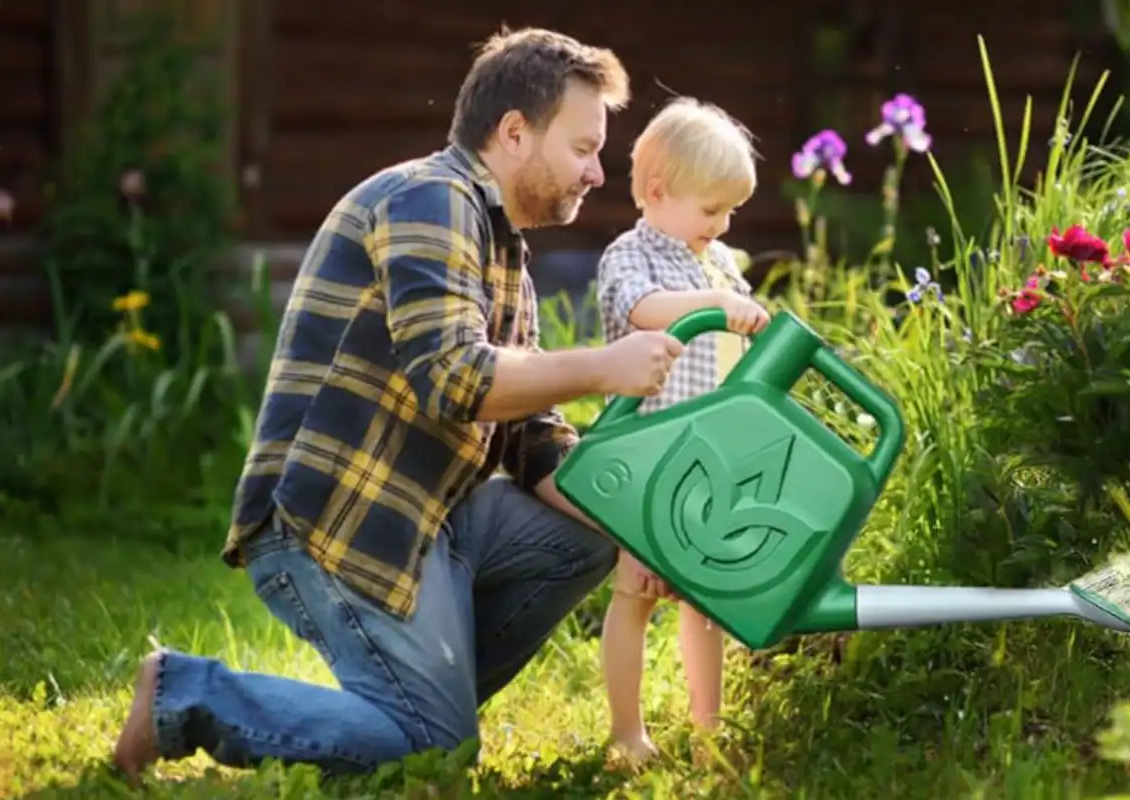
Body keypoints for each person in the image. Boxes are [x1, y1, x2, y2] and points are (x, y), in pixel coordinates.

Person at [111, 26, 687, 780]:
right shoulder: (428, 199)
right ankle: (184, 693)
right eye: (584, 148)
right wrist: (605, 369)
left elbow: (531, 442)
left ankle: (406, 703)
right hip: (338, 521)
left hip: (429, 518)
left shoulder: (503, 250)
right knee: (434, 752)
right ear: (515, 132)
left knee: (587, 532)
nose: (598, 172)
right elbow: (453, 378)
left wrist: (648, 536)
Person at [593, 97, 771, 763]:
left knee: (707, 598)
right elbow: (642, 312)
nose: (721, 226)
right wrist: (717, 305)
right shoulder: (629, 255)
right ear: (660, 192)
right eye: (711, 211)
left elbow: (737, 346)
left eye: (730, 213)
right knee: (634, 592)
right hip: (647, 454)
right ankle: (627, 732)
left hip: (707, 460)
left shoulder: (719, 263)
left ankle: (708, 727)